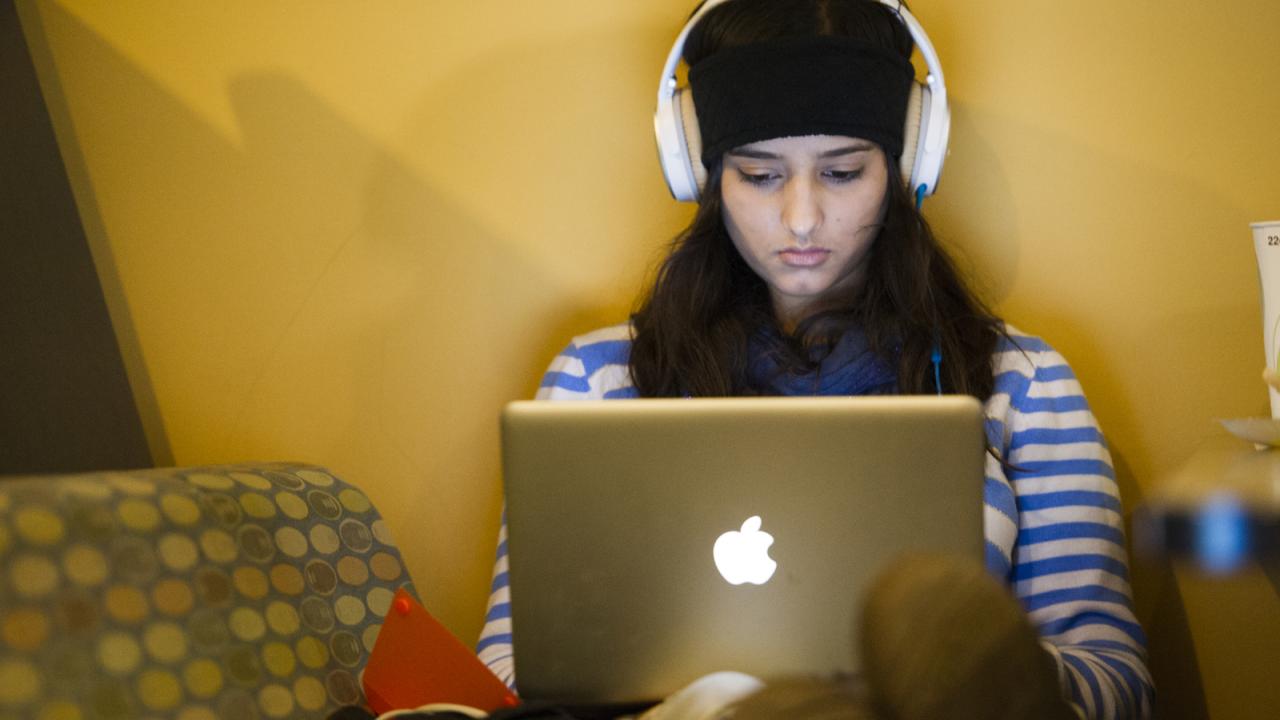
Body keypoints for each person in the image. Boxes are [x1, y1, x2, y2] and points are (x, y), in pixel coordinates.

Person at [477, 1, 1153, 718]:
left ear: (906, 165)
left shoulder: (1023, 385)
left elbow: (1117, 684)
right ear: (700, 173)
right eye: (760, 176)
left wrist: (962, 670)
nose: (801, 218)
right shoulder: (596, 381)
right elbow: (505, 675)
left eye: (842, 171)